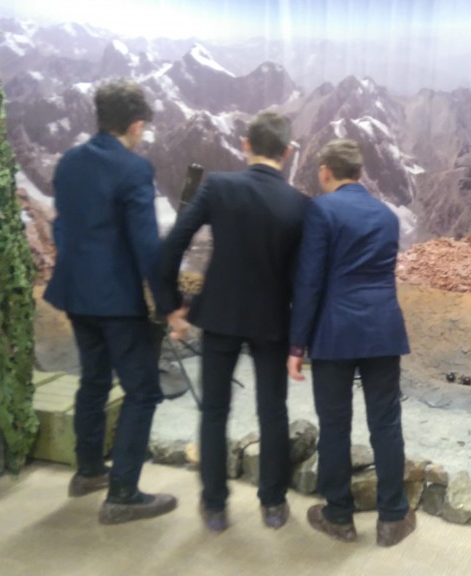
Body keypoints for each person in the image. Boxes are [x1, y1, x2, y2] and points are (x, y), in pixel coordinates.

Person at [157, 112, 309, 533]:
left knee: (214, 411)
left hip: (219, 314)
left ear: (245, 144)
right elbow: (304, 279)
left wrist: (171, 306)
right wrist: (300, 339)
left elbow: (173, 243)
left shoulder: (218, 186)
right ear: (288, 152)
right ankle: (273, 505)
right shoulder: (299, 204)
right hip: (273, 320)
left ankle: (215, 506)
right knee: (273, 412)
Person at [44, 79, 177, 524]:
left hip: (75, 294)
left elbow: (61, 226)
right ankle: (122, 494)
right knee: (143, 391)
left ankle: (87, 473)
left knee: (94, 381)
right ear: (136, 124)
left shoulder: (69, 161)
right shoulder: (133, 169)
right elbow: (146, 244)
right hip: (115, 299)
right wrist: (168, 303)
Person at [287, 138, 416, 547]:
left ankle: (339, 516)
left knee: (335, 425)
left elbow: (309, 282)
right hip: (382, 329)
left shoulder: (321, 210)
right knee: (386, 422)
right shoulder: (387, 216)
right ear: (359, 173)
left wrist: (296, 345)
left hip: (335, 331)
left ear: (326, 171)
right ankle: (392, 518)